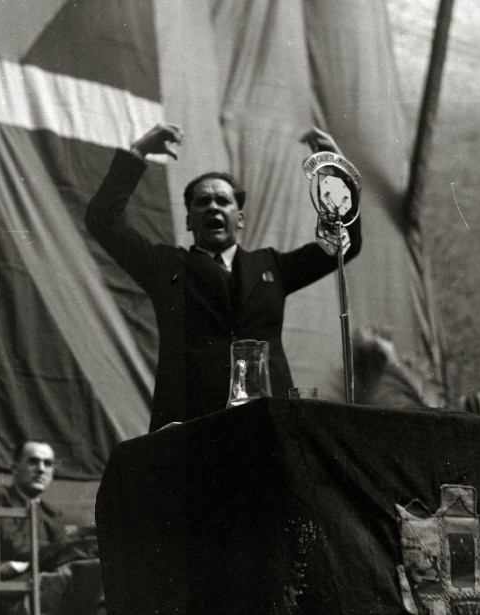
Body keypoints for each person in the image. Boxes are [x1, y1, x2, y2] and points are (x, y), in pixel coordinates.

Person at [85, 123, 363, 431]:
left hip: (268, 422)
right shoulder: (165, 265)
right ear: (189, 219)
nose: (213, 207)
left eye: (223, 201)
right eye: (202, 202)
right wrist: (138, 152)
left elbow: (344, 244)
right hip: (192, 423)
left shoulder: (272, 266)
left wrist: (338, 170)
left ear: (240, 219)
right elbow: (103, 221)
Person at [0, 440, 102, 615]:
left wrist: (24, 564)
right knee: (84, 570)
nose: (41, 469)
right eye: (33, 461)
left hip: (38, 589)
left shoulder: (52, 514)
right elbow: (15, 545)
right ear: (14, 468)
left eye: (48, 463)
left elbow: (62, 557)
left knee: (92, 570)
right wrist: (62, 549)